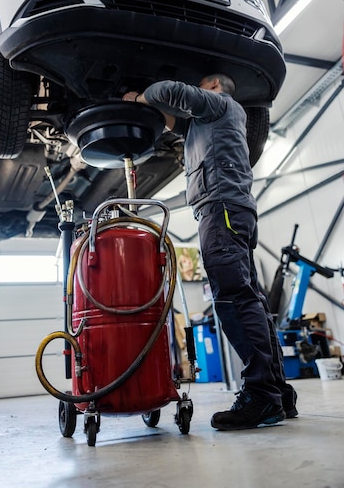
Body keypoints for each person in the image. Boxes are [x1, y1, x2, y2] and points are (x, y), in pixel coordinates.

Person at [123, 74, 297, 431]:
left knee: (234, 298)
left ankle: (261, 395)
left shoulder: (220, 104)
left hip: (220, 209)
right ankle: (278, 390)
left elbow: (169, 92)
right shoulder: (212, 123)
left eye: (201, 84)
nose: (198, 89)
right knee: (253, 300)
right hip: (232, 209)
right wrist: (152, 113)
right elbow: (174, 122)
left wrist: (139, 96)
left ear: (215, 86)